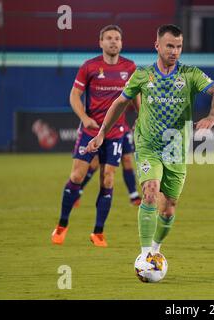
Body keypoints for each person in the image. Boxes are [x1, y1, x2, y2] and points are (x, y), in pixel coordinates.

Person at [86, 24, 214, 269]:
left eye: (179, 46)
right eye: (170, 46)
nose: (174, 51)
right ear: (157, 46)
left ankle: (155, 250)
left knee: (169, 208)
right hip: (148, 146)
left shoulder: (190, 74)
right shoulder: (142, 75)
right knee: (150, 192)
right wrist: (101, 134)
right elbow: (120, 103)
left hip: (176, 151)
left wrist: (212, 117)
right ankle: (143, 256)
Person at [51, 25, 140, 247]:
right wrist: (84, 117)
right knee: (77, 177)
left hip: (116, 132)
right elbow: (74, 95)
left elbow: (137, 96)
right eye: (108, 38)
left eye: (117, 38)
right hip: (91, 131)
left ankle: (98, 232)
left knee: (108, 178)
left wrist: (141, 117)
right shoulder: (89, 66)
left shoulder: (130, 68)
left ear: (122, 43)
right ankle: (62, 225)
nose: (113, 42)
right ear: (100, 42)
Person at [74, 110, 142, 208]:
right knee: (95, 163)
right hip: (103, 128)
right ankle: (77, 190)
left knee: (127, 159)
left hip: (122, 128)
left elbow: (132, 104)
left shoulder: (127, 95)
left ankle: (134, 195)